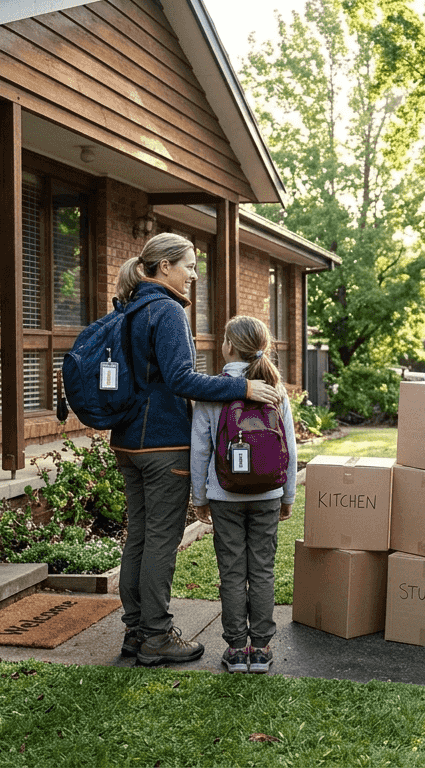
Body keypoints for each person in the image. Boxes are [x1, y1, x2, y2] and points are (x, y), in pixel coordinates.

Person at [111, 233, 280, 667]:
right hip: (163, 444)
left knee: (140, 537)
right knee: (161, 543)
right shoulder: (165, 310)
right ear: (164, 266)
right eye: (188, 265)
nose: (193, 274)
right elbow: (181, 380)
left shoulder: (129, 307)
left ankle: (135, 631)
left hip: (128, 441)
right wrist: (241, 386)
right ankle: (156, 636)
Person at [190, 315, 297, 675]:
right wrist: (288, 495)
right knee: (263, 570)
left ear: (230, 346)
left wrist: (200, 496)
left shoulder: (213, 390)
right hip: (268, 493)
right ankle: (262, 650)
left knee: (232, 571)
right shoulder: (275, 388)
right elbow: (291, 450)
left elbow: (200, 449)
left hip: (224, 494)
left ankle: (237, 650)